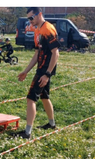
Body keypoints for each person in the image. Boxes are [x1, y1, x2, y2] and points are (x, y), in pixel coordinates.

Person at [14, 7, 60, 140]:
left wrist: (47, 74)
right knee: (44, 97)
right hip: (41, 69)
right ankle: (51, 124)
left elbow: (55, 53)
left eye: (31, 18)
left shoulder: (48, 29)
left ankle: (27, 133)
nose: (30, 21)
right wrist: (25, 71)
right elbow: (37, 54)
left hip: (44, 71)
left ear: (39, 15)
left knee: (31, 98)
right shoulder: (37, 31)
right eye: (28, 18)